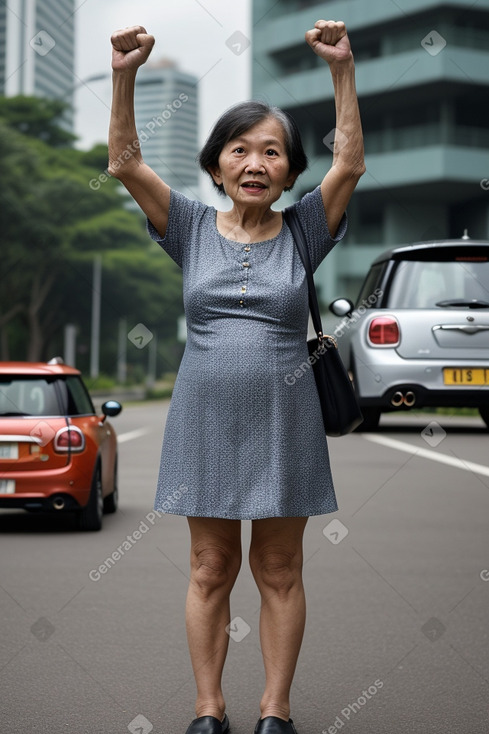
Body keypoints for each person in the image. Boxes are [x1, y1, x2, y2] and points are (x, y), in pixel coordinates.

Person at [109, 19, 364, 734]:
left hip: (286, 421)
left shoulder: (306, 230)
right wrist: (125, 73)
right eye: (240, 149)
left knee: (279, 571)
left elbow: (348, 162)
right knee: (208, 569)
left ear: (286, 171)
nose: (256, 162)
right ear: (216, 165)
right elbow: (126, 162)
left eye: (272, 151)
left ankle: (274, 712)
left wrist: (341, 71)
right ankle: (208, 710)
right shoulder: (187, 226)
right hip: (204, 417)